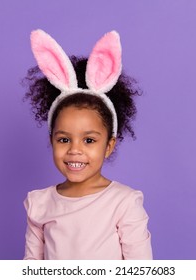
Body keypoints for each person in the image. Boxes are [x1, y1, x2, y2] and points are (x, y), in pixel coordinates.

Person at [22, 29, 152, 260]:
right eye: (64, 139)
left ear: (109, 146)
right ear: (52, 140)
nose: (75, 150)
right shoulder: (39, 204)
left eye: (89, 140)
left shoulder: (123, 203)